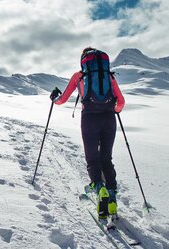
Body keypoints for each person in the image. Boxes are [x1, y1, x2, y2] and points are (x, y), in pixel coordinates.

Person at [49, 47, 125, 220]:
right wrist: (114, 109)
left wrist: (54, 98)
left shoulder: (79, 76)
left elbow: (62, 100)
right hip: (109, 119)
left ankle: (100, 190)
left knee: (92, 158)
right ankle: (112, 196)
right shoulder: (109, 76)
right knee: (106, 158)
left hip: (89, 119)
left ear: (84, 62)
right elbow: (121, 102)